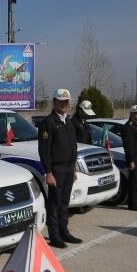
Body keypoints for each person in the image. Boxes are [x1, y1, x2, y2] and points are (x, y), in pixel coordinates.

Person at [37, 88, 81, 248]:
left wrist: (74, 168)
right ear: (54, 102)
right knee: (54, 204)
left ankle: (64, 232)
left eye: (66, 101)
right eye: (60, 101)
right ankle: (55, 236)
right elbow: (44, 150)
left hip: (69, 169)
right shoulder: (48, 123)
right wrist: (48, 172)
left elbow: (73, 146)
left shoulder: (68, 121)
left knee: (64, 202)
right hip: (56, 170)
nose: (64, 104)